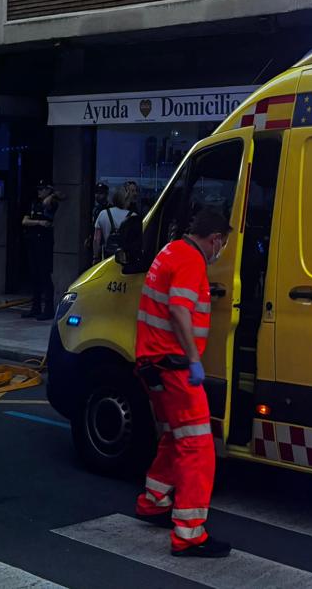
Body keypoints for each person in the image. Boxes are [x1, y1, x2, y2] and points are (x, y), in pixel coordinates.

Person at [134, 208, 232, 558]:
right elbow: (178, 310)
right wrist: (193, 359)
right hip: (174, 367)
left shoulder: (170, 249)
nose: (219, 251)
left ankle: (153, 500)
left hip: (153, 363)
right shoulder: (191, 260)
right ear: (215, 238)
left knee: (176, 437)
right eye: (222, 244)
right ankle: (189, 534)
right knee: (199, 448)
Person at [22, 180, 62, 320]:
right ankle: (35, 307)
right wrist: (39, 222)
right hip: (32, 243)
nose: (39, 191)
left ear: (48, 190)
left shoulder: (51, 204)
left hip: (44, 244)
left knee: (45, 276)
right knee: (35, 276)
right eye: (38, 189)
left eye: (42, 189)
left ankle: (48, 309)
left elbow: (48, 204)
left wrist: (52, 194)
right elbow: (24, 221)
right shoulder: (34, 203)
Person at [93, 186, 134, 263]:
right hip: (127, 259)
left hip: (107, 259)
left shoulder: (103, 214)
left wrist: (96, 257)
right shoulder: (133, 216)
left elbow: (96, 239)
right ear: (127, 200)